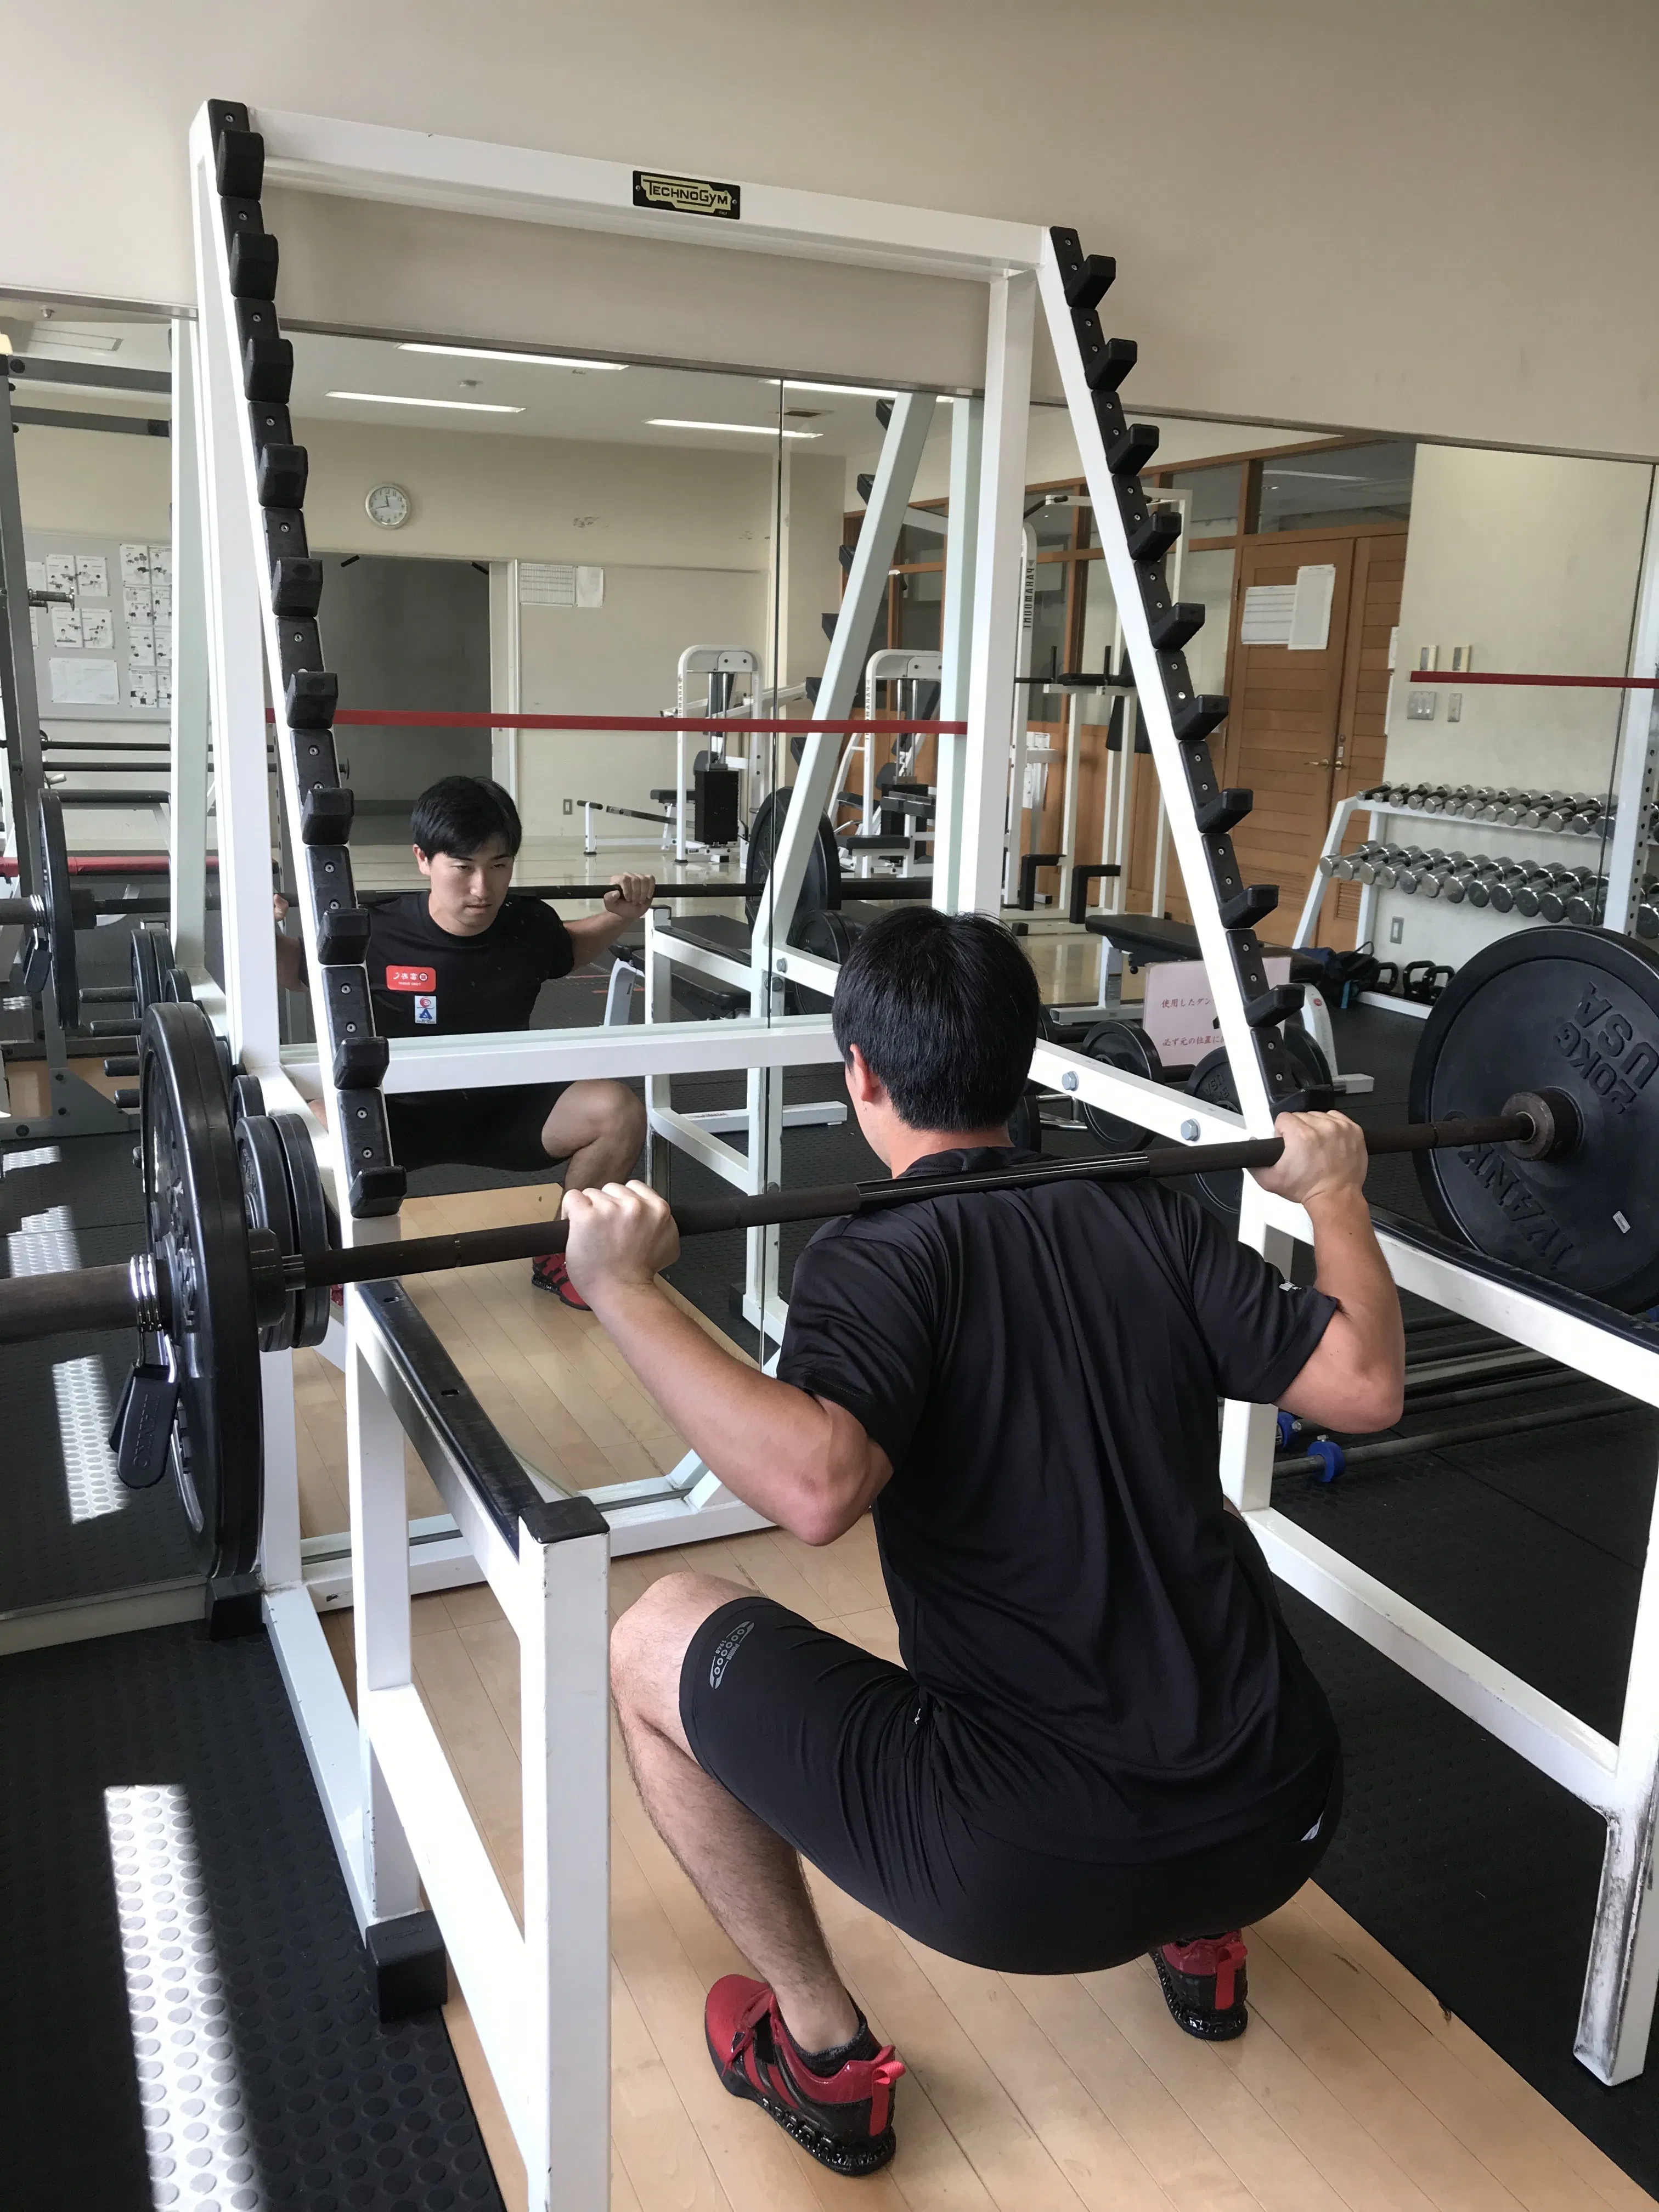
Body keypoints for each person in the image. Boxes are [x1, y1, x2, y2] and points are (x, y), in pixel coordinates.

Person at [560, 905, 1404, 2179]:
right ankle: (1204, 1935)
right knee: (1186, 1517)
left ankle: (823, 2056)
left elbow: (817, 1489)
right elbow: (1366, 1386)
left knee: (651, 1639)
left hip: (1029, 1878)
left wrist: (623, 1288)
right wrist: (1335, 1193)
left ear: (861, 1075)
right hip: (1287, 1812)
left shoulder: (877, 1255)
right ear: (1025, 1059)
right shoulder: (1149, 1211)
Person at [275, 774, 652, 1308]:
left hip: (506, 1112)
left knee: (618, 1112)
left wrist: (620, 917)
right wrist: (261, 928)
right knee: (303, 1130)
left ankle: (567, 1253)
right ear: (423, 859)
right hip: (396, 1117)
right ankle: (337, 1256)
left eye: (499, 866)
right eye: (463, 867)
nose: (483, 889)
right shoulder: (374, 930)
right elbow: (297, 970)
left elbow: (568, 948)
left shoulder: (529, 924)